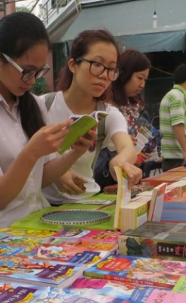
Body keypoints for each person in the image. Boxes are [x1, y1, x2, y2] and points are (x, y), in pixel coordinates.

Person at [0, 12, 97, 240]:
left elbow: (42, 178)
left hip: (35, 227)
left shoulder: (33, 105)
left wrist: (76, 150)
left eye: (40, 71)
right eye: (27, 71)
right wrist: (31, 152)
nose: (33, 79)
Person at [42, 30, 142, 204]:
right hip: (42, 207)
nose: (104, 75)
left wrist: (119, 162)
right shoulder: (43, 105)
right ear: (73, 65)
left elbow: (127, 148)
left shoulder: (108, 114)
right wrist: (57, 173)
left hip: (87, 203)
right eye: (97, 64)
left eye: (111, 69)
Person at [110, 49, 162, 178]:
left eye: (145, 80)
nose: (142, 84)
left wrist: (140, 154)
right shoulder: (106, 105)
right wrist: (122, 143)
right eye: (139, 78)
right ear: (125, 73)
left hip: (126, 175)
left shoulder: (133, 106)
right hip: (106, 176)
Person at [159, 63, 186, 171]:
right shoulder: (177, 96)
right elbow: (177, 125)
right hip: (175, 159)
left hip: (171, 158)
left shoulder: (173, 95)